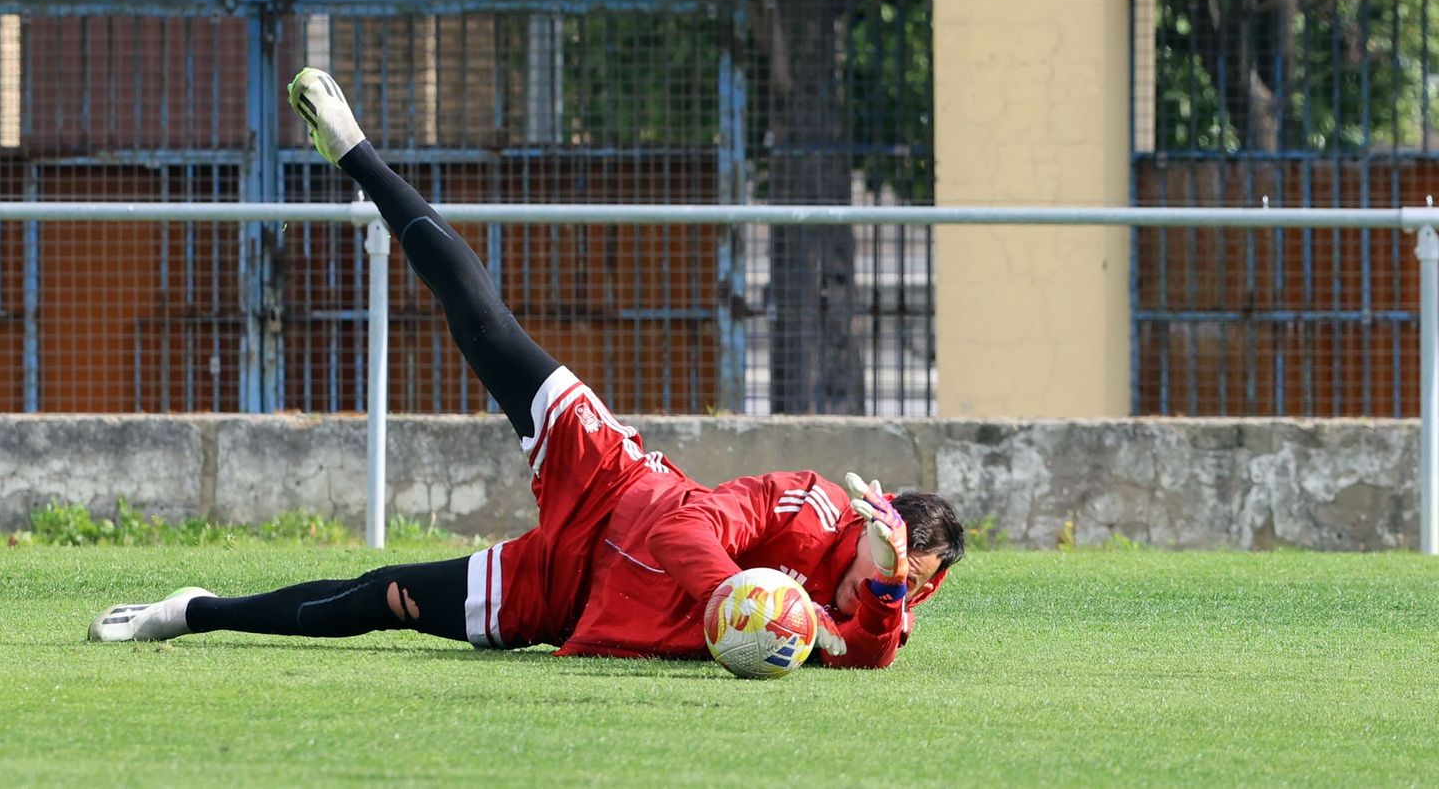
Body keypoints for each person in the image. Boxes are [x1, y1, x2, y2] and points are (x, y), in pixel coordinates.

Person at [88, 67, 965, 668]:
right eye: (882, 568)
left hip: (568, 593)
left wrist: (882, 593)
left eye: (900, 586)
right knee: (488, 328)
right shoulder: (810, 505)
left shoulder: (884, 601)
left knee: (376, 601)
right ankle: (357, 153)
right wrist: (742, 594)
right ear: (866, 522)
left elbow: (871, 650)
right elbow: (681, 530)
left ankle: (188, 610)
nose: (880, 591)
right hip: (617, 486)